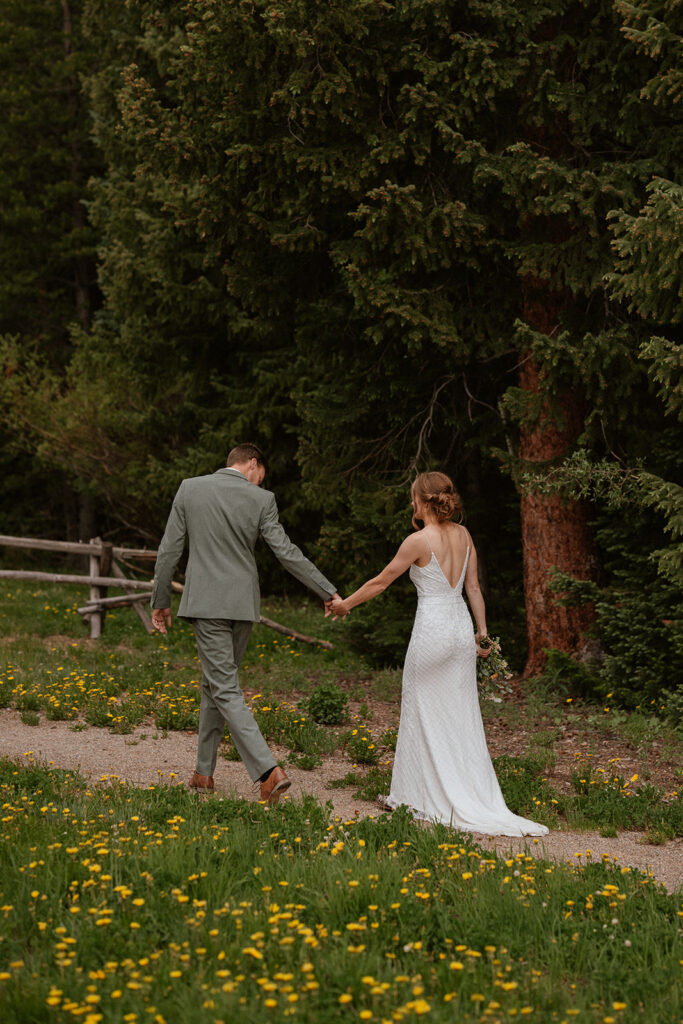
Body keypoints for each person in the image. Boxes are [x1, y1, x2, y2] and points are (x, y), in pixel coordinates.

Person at [327, 471, 548, 837]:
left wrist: (345, 604)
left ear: (422, 501)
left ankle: (415, 796)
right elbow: (473, 588)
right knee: (459, 715)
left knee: (420, 710)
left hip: (431, 631)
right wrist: (482, 634)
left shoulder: (418, 541)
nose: (411, 502)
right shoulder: (464, 535)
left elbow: (381, 581)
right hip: (460, 630)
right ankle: (454, 793)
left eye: (413, 497)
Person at [150, 443, 340, 804]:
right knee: (216, 682)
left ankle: (269, 773)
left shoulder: (190, 488)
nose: (258, 483)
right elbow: (286, 551)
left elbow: (169, 550)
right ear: (252, 463)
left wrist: (160, 601)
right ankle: (203, 772)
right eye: (259, 476)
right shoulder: (261, 500)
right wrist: (325, 590)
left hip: (206, 604)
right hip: (241, 605)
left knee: (223, 687)